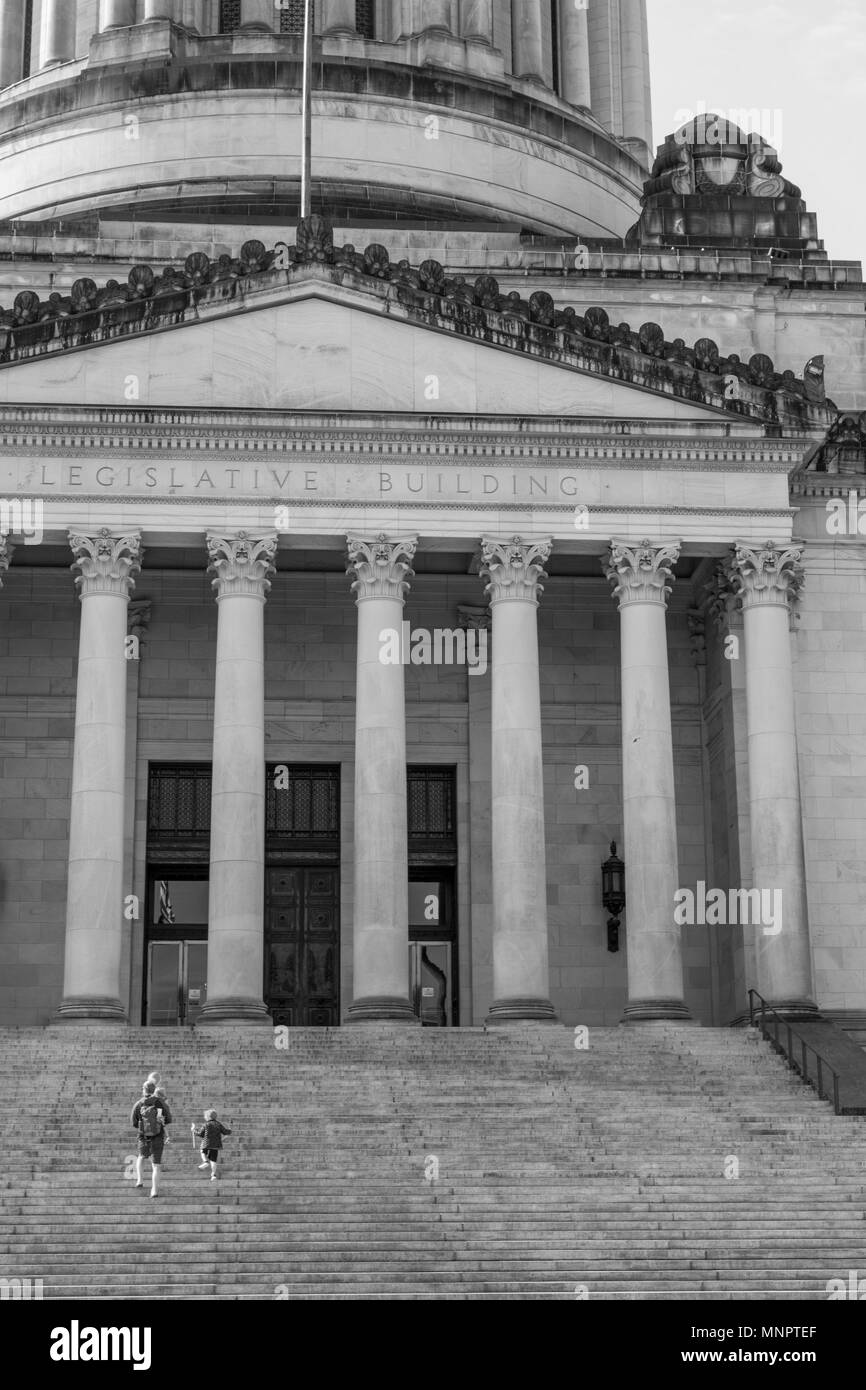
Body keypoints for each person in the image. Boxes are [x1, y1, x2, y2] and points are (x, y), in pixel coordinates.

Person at [131, 1081, 172, 1197]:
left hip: (143, 1136)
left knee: (141, 1157)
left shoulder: (139, 1103)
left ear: (144, 1089)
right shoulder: (160, 1103)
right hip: (158, 1136)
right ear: (154, 1090)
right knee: (156, 1165)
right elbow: (168, 1119)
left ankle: (140, 1180)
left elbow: (133, 1122)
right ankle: (154, 1190)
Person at [192, 1109, 232, 1182]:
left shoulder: (206, 1124)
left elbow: (200, 1134)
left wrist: (193, 1130)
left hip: (206, 1144)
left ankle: (205, 1162)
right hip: (216, 1145)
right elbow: (226, 1132)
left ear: (207, 1117)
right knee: (213, 1160)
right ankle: (213, 1175)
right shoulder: (218, 1124)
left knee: (202, 1151)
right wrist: (229, 1130)